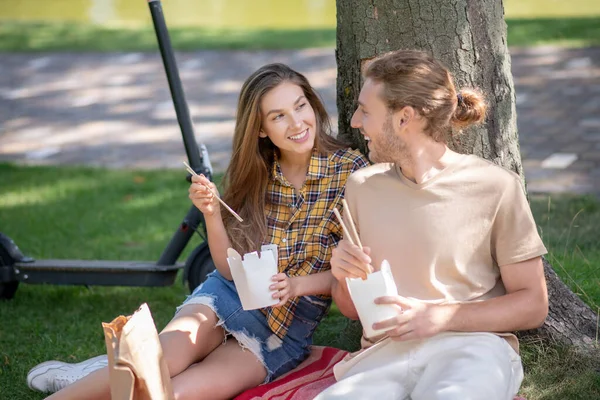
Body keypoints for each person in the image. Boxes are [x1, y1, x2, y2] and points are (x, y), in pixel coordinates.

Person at [27, 63, 369, 399]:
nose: (297, 123)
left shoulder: (351, 173)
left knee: (174, 392)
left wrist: (297, 285)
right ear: (261, 128)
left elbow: (352, 270)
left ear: (312, 103)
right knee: (154, 363)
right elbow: (225, 269)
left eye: (300, 106)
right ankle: (91, 381)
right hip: (225, 297)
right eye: (278, 116)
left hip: (278, 335)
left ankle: (97, 373)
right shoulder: (256, 171)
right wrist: (212, 214)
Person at [315, 50, 549, 400]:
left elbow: (533, 304)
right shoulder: (362, 187)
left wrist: (441, 317)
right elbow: (350, 308)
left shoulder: (496, 186)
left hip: (474, 349)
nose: (354, 121)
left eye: (366, 111)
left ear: (404, 118)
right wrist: (343, 276)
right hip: (384, 355)